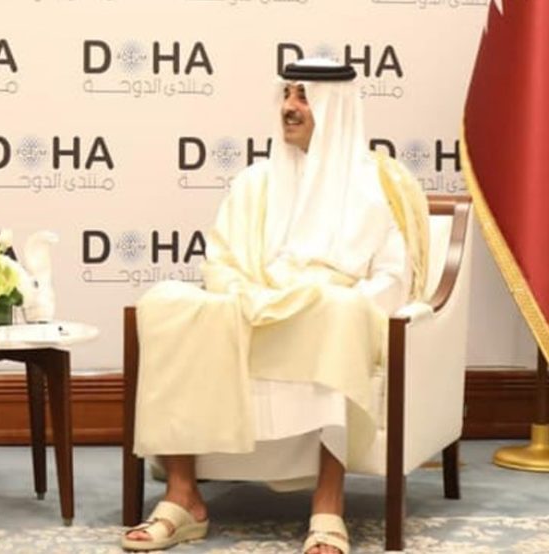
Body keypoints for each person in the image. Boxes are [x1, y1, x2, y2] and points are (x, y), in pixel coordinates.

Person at [120, 59, 428, 554]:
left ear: (335, 106)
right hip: (252, 305)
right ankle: (183, 498)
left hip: (323, 312)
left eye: (304, 96)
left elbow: (393, 280)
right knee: (166, 304)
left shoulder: (379, 186)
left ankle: (328, 504)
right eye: (286, 94)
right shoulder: (255, 181)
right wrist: (251, 295)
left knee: (339, 312)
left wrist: (322, 298)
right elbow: (220, 262)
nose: (289, 107)